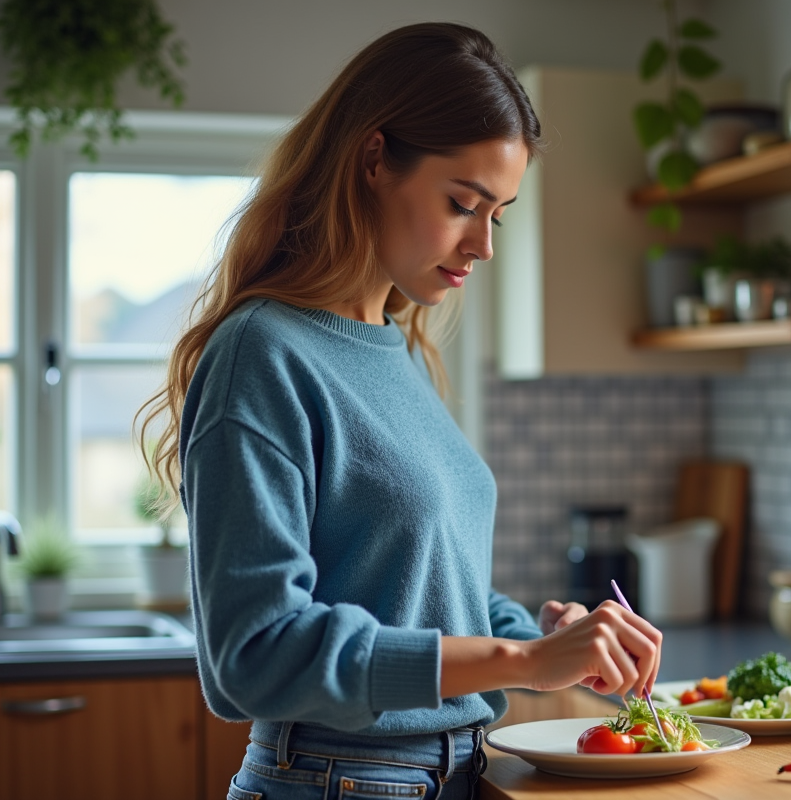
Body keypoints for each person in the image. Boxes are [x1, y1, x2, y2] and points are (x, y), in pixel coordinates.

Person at [138, 22, 663, 800]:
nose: (483, 245)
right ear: (374, 160)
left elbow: (420, 593)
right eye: (463, 203)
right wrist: (519, 663)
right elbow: (252, 654)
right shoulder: (263, 354)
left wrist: (548, 641)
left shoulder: (396, 349)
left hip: (452, 772)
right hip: (336, 779)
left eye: (498, 214)